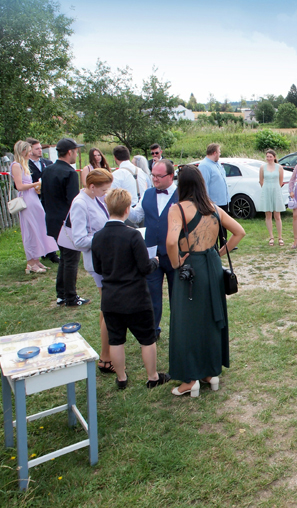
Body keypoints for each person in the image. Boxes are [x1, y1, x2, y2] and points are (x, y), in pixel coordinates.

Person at [166, 165, 245, 397]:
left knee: (186, 322)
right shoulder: (213, 208)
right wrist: (218, 253)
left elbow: (171, 242)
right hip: (211, 265)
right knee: (211, 318)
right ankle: (211, 373)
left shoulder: (178, 209)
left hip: (190, 267)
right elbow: (239, 232)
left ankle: (190, 380)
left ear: (181, 184)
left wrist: (175, 263)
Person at [91, 188, 170, 390]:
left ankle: (121, 378)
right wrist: (154, 261)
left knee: (116, 340)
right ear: (127, 209)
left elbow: (98, 268)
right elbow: (144, 268)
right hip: (135, 297)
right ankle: (152, 377)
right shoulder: (133, 235)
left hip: (111, 297)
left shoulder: (98, 237)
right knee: (146, 338)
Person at [70, 168, 114, 373]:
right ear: (92, 186)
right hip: (97, 261)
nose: (106, 194)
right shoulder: (80, 204)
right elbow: (79, 240)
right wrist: (104, 237)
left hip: (105, 258)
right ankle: (105, 357)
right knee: (108, 308)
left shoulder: (94, 199)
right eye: (103, 190)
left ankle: (107, 354)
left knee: (106, 307)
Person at [128, 159, 178, 337]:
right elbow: (136, 216)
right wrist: (123, 205)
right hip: (151, 254)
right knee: (151, 296)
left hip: (174, 254)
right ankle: (152, 330)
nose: (154, 179)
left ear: (170, 176)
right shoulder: (148, 194)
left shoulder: (181, 194)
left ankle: (178, 330)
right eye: (153, 175)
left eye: (159, 176)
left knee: (177, 296)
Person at [43, 138, 87, 307]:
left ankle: (61, 294)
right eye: (76, 151)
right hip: (65, 222)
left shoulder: (48, 170)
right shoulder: (69, 172)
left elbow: (44, 197)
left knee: (64, 258)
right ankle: (70, 296)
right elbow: (73, 202)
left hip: (52, 219)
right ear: (70, 152)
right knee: (71, 260)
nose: (76, 154)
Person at [10, 141, 57, 274]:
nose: (31, 153)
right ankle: (30, 261)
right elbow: (19, 186)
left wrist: (36, 187)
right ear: (22, 151)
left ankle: (36, 259)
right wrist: (36, 184)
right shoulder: (16, 165)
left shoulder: (24, 164)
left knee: (39, 227)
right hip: (27, 199)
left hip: (33, 198)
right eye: (29, 150)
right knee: (30, 229)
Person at [257, 149, 284, 246]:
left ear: (274, 157)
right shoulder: (262, 167)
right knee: (268, 215)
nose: (269, 158)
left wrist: (276, 188)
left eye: (270, 156)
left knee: (277, 215)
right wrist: (266, 189)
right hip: (266, 190)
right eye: (267, 156)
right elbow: (261, 180)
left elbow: (281, 182)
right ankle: (271, 236)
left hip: (276, 190)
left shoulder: (279, 167)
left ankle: (280, 237)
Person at [198, 143, 229, 212]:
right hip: (214, 204)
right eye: (219, 152)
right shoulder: (204, 166)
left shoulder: (217, 163)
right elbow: (204, 186)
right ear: (215, 153)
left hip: (223, 202)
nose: (220, 154)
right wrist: (208, 204)